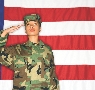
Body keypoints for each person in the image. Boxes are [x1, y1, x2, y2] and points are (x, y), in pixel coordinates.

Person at [0, 14, 60, 90]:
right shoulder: (16, 50)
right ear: (25, 29)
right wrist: (5, 33)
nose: (31, 26)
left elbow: (52, 78)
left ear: (40, 28)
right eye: (28, 24)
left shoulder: (47, 50)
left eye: (35, 24)